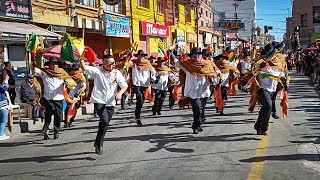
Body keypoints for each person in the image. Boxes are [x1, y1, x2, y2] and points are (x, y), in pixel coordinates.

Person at [80, 54, 128, 155]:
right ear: (105, 64)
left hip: (110, 102)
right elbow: (84, 67)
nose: (114, 65)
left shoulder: (116, 73)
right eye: (111, 63)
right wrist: (80, 57)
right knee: (104, 120)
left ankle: (98, 142)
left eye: (114, 62)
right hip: (99, 100)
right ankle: (99, 144)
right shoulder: (97, 71)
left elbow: (124, 85)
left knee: (105, 123)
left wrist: (119, 93)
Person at [174, 47, 217, 134]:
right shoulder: (186, 64)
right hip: (192, 91)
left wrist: (215, 79)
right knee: (197, 108)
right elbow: (176, 63)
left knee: (201, 109)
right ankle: (197, 125)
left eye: (199, 55)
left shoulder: (208, 64)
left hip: (204, 91)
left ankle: (196, 125)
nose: (197, 57)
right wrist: (179, 54)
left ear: (201, 56)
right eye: (194, 55)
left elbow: (217, 72)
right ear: (191, 56)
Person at [33, 58, 76, 140]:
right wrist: (36, 56)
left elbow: (70, 80)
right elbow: (35, 69)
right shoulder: (44, 72)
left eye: (55, 64)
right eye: (52, 64)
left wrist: (66, 83)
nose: (54, 65)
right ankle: (46, 130)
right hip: (48, 97)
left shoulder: (62, 72)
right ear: (49, 64)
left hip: (59, 97)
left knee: (58, 115)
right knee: (50, 112)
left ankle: (56, 131)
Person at [254, 53, 288, 135]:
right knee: (268, 106)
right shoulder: (262, 64)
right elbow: (254, 73)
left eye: (274, 56)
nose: (273, 58)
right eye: (271, 56)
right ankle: (264, 128)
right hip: (263, 89)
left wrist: (285, 83)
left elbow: (282, 76)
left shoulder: (278, 66)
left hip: (273, 90)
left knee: (265, 108)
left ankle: (258, 125)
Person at [130, 50, 156, 126]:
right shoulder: (133, 62)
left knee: (141, 102)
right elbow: (127, 64)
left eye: (142, 56)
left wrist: (153, 78)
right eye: (139, 56)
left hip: (145, 84)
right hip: (137, 84)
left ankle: (137, 114)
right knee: (139, 98)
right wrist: (128, 59)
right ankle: (138, 118)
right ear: (137, 56)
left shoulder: (147, 63)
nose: (140, 57)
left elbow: (153, 71)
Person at [64, 63, 87, 128]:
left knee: (74, 109)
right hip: (69, 95)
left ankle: (70, 120)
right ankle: (66, 122)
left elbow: (84, 85)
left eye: (76, 70)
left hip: (76, 96)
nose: (74, 71)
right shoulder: (68, 76)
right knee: (67, 108)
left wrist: (79, 92)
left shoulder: (81, 76)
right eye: (73, 70)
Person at [0, 72, 10, 140]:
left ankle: (2, 133)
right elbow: (5, 88)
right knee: (4, 120)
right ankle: (0, 135)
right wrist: (6, 80)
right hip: (1, 104)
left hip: (2, 103)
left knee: (1, 120)